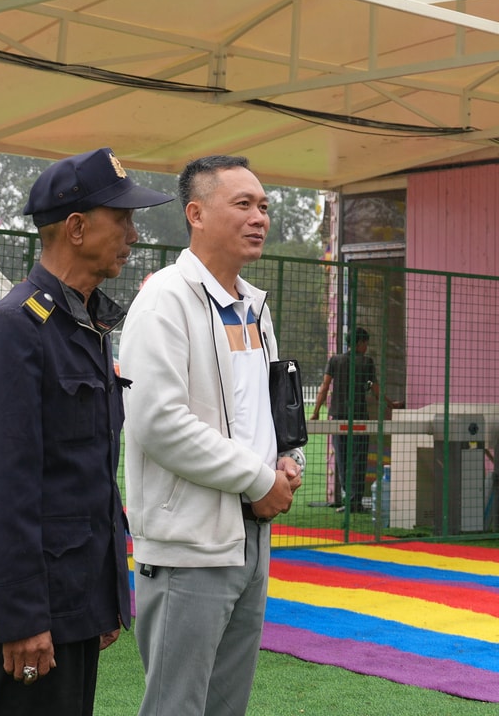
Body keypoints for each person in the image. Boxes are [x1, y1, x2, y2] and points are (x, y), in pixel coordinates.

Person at [0, 147, 173, 716]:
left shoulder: (82, 325)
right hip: (25, 618)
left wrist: (100, 599)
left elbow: (86, 479)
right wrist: (22, 619)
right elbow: (1, 487)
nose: (133, 235)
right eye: (121, 219)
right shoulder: (17, 328)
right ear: (76, 228)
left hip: (70, 603)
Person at [119, 154, 305, 716]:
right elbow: (159, 422)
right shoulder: (164, 299)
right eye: (243, 204)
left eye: (264, 206)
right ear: (195, 214)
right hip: (189, 545)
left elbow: (262, 404)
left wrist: (285, 457)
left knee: (227, 705)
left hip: (251, 535)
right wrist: (257, 478)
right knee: (176, 706)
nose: (259, 217)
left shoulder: (254, 306)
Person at [313, 326, 383, 510]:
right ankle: (354, 500)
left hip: (338, 416)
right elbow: (375, 389)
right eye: (366, 343)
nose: (366, 347)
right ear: (360, 343)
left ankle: (350, 497)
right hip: (359, 417)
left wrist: (315, 412)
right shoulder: (367, 362)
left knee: (342, 457)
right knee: (359, 458)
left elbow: (324, 387)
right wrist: (390, 405)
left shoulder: (335, 360)